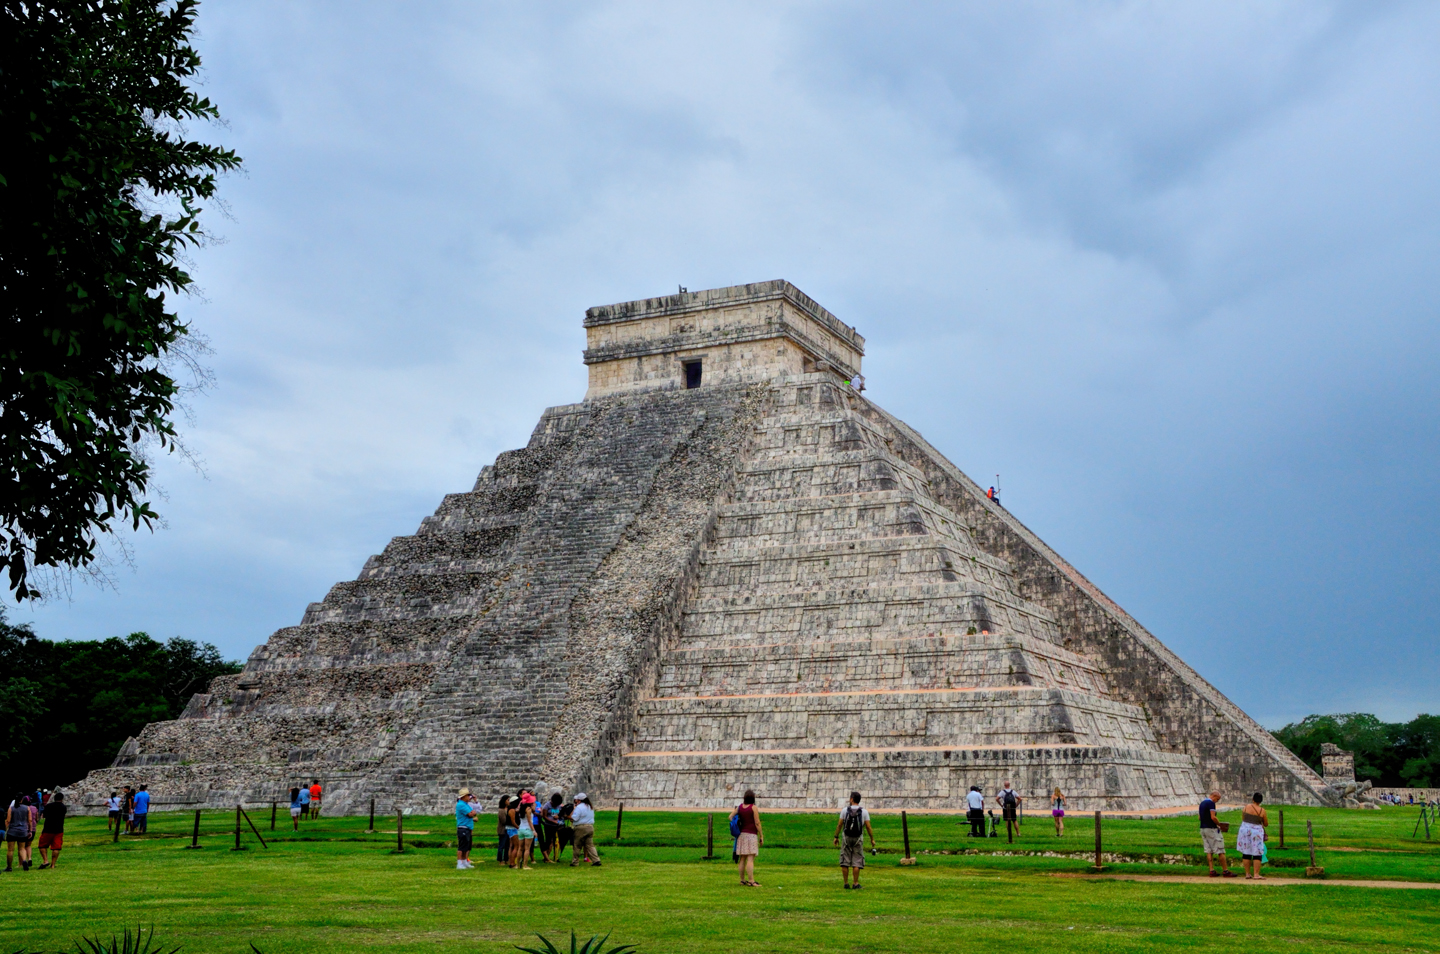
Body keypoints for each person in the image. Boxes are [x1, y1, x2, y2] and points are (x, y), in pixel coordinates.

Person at [832, 792, 875, 889]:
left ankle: (846, 883)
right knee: (857, 860)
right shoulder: (864, 812)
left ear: (852, 799)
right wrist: (872, 839)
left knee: (845, 860)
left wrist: (836, 836)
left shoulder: (844, 810)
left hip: (846, 838)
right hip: (858, 838)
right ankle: (855, 883)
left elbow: (839, 825)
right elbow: (868, 827)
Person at [1199, 790, 1236, 877]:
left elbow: (1199, 817)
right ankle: (1225, 870)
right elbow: (1213, 817)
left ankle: (1211, 870)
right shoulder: (1211, 803)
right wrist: (1219, 824)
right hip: (1211, 828)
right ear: (1213, 796)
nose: (1217, 801)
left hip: (1203, 828)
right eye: (1217, 799)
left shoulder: (1202, 803)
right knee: (1220, 849)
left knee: (1208, 850)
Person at [730, 790, 763, 887]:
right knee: (750, 858)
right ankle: (751, 880)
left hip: (741, 835)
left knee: (742, 858)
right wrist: (761, 835)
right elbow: (757, 822)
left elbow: (730, 816)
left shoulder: (740, 807)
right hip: (751, 835)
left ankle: (742, 880)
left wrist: (738, 823)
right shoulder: (753, 808)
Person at [1236, 792, 1268, 880]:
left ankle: (1247, 873)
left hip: (1245, 830)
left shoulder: (1246, 807)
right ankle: (1256, 874)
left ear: (1253, 799)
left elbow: (1243, 817)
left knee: (1246, 851)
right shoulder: (1262, 810)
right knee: (1257, 852)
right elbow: (1265, 823)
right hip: (1256, 831)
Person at [570, 793, 601, 866]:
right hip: (590, 827)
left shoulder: (579, 807)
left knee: (577, 845)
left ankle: (575, 862)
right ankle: (596, 860)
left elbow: (574, 818)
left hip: (581, 827)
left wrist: (570, 816)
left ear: (579, 800)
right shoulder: (590, 806)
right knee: (590, 845)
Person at [36, 792, 65, 869]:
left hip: (48, 828)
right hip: (59, 829)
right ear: (62, 799)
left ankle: (45, 860)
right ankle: (53, 864)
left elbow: (44, 815)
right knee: (56, 847)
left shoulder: (49, 806)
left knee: (42, 845)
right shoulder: (63, 807)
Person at [4, 794, 29, 872]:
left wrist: (6, 830)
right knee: (22, 848)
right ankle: (24, 861)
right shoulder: (27, 808)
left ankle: (9, 867)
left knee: (10, 850)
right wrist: (30, 830)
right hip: (23, 831)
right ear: (22, 800)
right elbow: (30, 820)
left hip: (12, 831)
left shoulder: (11, 808)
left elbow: (8, 821)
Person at [510, 794, 535, 870]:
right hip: (528, 829)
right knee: (527, 848)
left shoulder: (520, 808)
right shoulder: (528, 809)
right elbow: (529, 821)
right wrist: (534, 830)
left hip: (520, 829)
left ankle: (517, 865)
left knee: (520, 848)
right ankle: (525, 865)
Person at [455, 787, 478, 870]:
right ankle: (459, 863)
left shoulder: (465, 804)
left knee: (466, 846)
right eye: (468, 795)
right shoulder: (461, 804)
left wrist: (473, 813)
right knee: (462, 846)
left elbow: (473, 812)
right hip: (463, 827)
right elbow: (471, 814)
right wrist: (473, 813)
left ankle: (464, 861)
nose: (469, 797)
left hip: (467, 827)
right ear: (463, 796)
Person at [540, 792, 563, 863]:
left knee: (554, 842)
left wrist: (559, 817)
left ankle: (550, 857)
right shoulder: (547, 805)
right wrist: (553, 821)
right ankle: (546, 857)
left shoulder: (559, 806)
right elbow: (544, 816)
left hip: (557, 826)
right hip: (549, 826)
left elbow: (561, 814)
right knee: (548, 841)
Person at [496, 795, 512, 864]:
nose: (509, 802)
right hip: (503, 829)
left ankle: (506, 859)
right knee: (502, 845)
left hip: (508, 829)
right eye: (508, 800)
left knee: (507, 846)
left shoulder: (508, 809)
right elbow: (503, 821)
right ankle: (500, 859)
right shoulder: (501, 810)